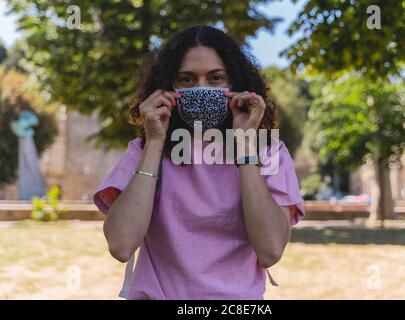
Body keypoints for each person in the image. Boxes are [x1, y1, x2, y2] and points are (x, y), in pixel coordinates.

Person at [93, 25, 305, 300]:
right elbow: (121, 246)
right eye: (187, 79)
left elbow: (270, 250)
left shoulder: (269, 152)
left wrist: (245, 146)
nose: (202, 89)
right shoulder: (144, 150)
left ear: (237, 84)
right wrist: (155, 141)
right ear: (169, 87)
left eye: (216, 78)